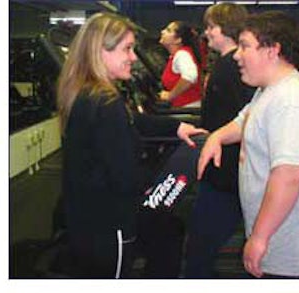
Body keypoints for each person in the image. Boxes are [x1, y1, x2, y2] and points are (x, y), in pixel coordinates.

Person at [197, 11, 299, 278]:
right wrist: (217, 136)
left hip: (298, 249)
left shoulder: (293, 102)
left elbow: (289, 176)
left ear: (272, 50)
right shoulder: (269, 90)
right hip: (281, 235)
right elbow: (245, 119)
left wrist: (258, 238)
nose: (236, 55)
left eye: (245, 46)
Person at [57, 12, 207, 278]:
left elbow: (132, 121)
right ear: (100, 52)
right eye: (127, 49)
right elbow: (128, 178)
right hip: (109, 225)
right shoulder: (105, 103)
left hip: (87, 217)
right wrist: (163, 178)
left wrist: (176, 127)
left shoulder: (86, 92)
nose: (134, 57)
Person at [184, 2, 255, 278]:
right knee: (201, 242)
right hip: (222, 168)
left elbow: (250, 118)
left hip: (226, 174)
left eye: (211, 27)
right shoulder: (227, 65)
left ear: (225, 29)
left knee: (200, 245)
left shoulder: (233, 67)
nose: (207, 33)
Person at [159, 21, 202, 107]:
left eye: (168, 30)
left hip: (187, 109)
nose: (162, 31)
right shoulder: (176, 55)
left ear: (178, 40)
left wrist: (171, 95)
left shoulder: (182, 55)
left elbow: (191, 76)